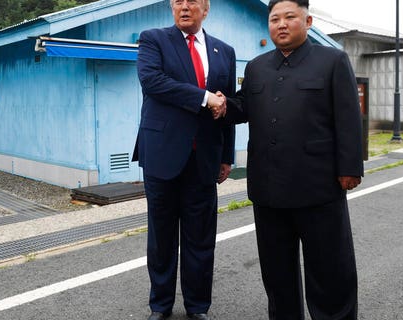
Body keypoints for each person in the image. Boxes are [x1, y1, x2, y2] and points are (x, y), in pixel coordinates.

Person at [224, 0, 363, 319]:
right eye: (274, 19)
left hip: (319, 186)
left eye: (290, 17)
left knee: (330, 271)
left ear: (308, 20)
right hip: (268, 189)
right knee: (277, 275)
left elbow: (348, 117)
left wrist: (350, 167)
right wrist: (218, 105)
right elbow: (244, 107)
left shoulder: (332, 60)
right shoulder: (256, 66)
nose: (281, 24)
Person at [132, 0, 236, 319]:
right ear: (171, 8)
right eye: (178, 1)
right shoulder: (154, 39)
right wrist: (204, 97)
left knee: (201, 239)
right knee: (161, 238)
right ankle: (160, 306)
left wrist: (226, 156)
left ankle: (198, 307)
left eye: (192, 1)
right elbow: (153, 82)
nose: (184, 6)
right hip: (162, 154)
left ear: (206, 9)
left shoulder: (224, 51)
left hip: (204, 158)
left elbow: (226, 108)